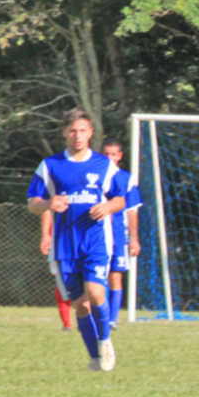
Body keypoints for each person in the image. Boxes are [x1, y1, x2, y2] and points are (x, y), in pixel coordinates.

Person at [28, 108, 126, 372]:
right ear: (64, 133)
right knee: (80, 305)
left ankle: (105, 341)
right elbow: (33, 204)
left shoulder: (104, 164)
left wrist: (108, 208)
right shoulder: (50, 165)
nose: (77, 135)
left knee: (95, 292)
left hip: (95, 242)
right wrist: (49, 202)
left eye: (83, 130)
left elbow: (120, 198)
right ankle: (95, 356)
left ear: (91, 133)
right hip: (65, 245)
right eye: (72, 130)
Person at [101, 137, 143, 329]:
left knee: (115, 276)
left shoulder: (126, 178)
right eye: (105, 154)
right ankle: (99, 315)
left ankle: (112, 320)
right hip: (97, 235)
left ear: (119, 156)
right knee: (97, 277)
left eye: (113, 154)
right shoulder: (94, 175)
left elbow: (132, 209)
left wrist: (134, 239)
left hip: (118, 235)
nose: (109, 158)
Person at [39, 210, 73, 331]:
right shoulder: (56, 191)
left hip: (84, 243)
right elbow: (46, 208)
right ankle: (67, 324)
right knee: (62, 284)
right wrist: (46, 236)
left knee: (89, 285)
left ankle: (89, 322)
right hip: (58, 244)